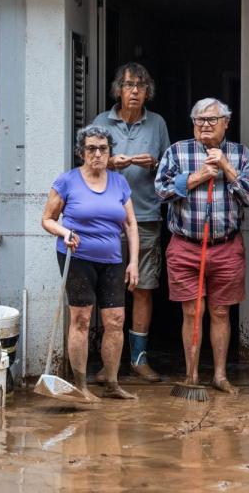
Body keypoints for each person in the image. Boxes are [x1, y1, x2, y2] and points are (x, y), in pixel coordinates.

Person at [155, 98, 249, 395]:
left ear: (226, 122)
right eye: (199, 120)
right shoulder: (177, 151)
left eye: (212, 120)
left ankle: (219, 375)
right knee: (192, 312)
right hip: (186, 245)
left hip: (225, 246)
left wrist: (226, 167)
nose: (205, 125)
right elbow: (160, 190)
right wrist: (198, 176)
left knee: (220, 312)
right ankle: (191, 376)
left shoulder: (240, 155)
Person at [42, 124, 140, 401]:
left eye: (103, 149)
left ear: (110, 153)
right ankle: (81, 385)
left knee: (116, 320)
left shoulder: (119, 182)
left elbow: (131, 224)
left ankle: (111, 383)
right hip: (77, 257)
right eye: (91, 148)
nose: (97, 154)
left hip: (112, 258)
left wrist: (133, 262)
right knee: (82, 319)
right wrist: (65, 232)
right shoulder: (67, 181)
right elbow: (47, 219)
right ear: (81, 152)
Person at [91, 62, 171, 383]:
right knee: (109, 289)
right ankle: (108, 362)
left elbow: (170, 170)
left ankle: (139, 360)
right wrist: (109, 162)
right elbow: (88, 166)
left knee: (143, 289)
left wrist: (154, 164)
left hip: (146, 217)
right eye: (128, 85)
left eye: (140, 86)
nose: (134, 91)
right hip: (106, 220)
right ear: (118, 91)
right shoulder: (101, 122)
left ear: (148, 91)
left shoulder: (158, 124)